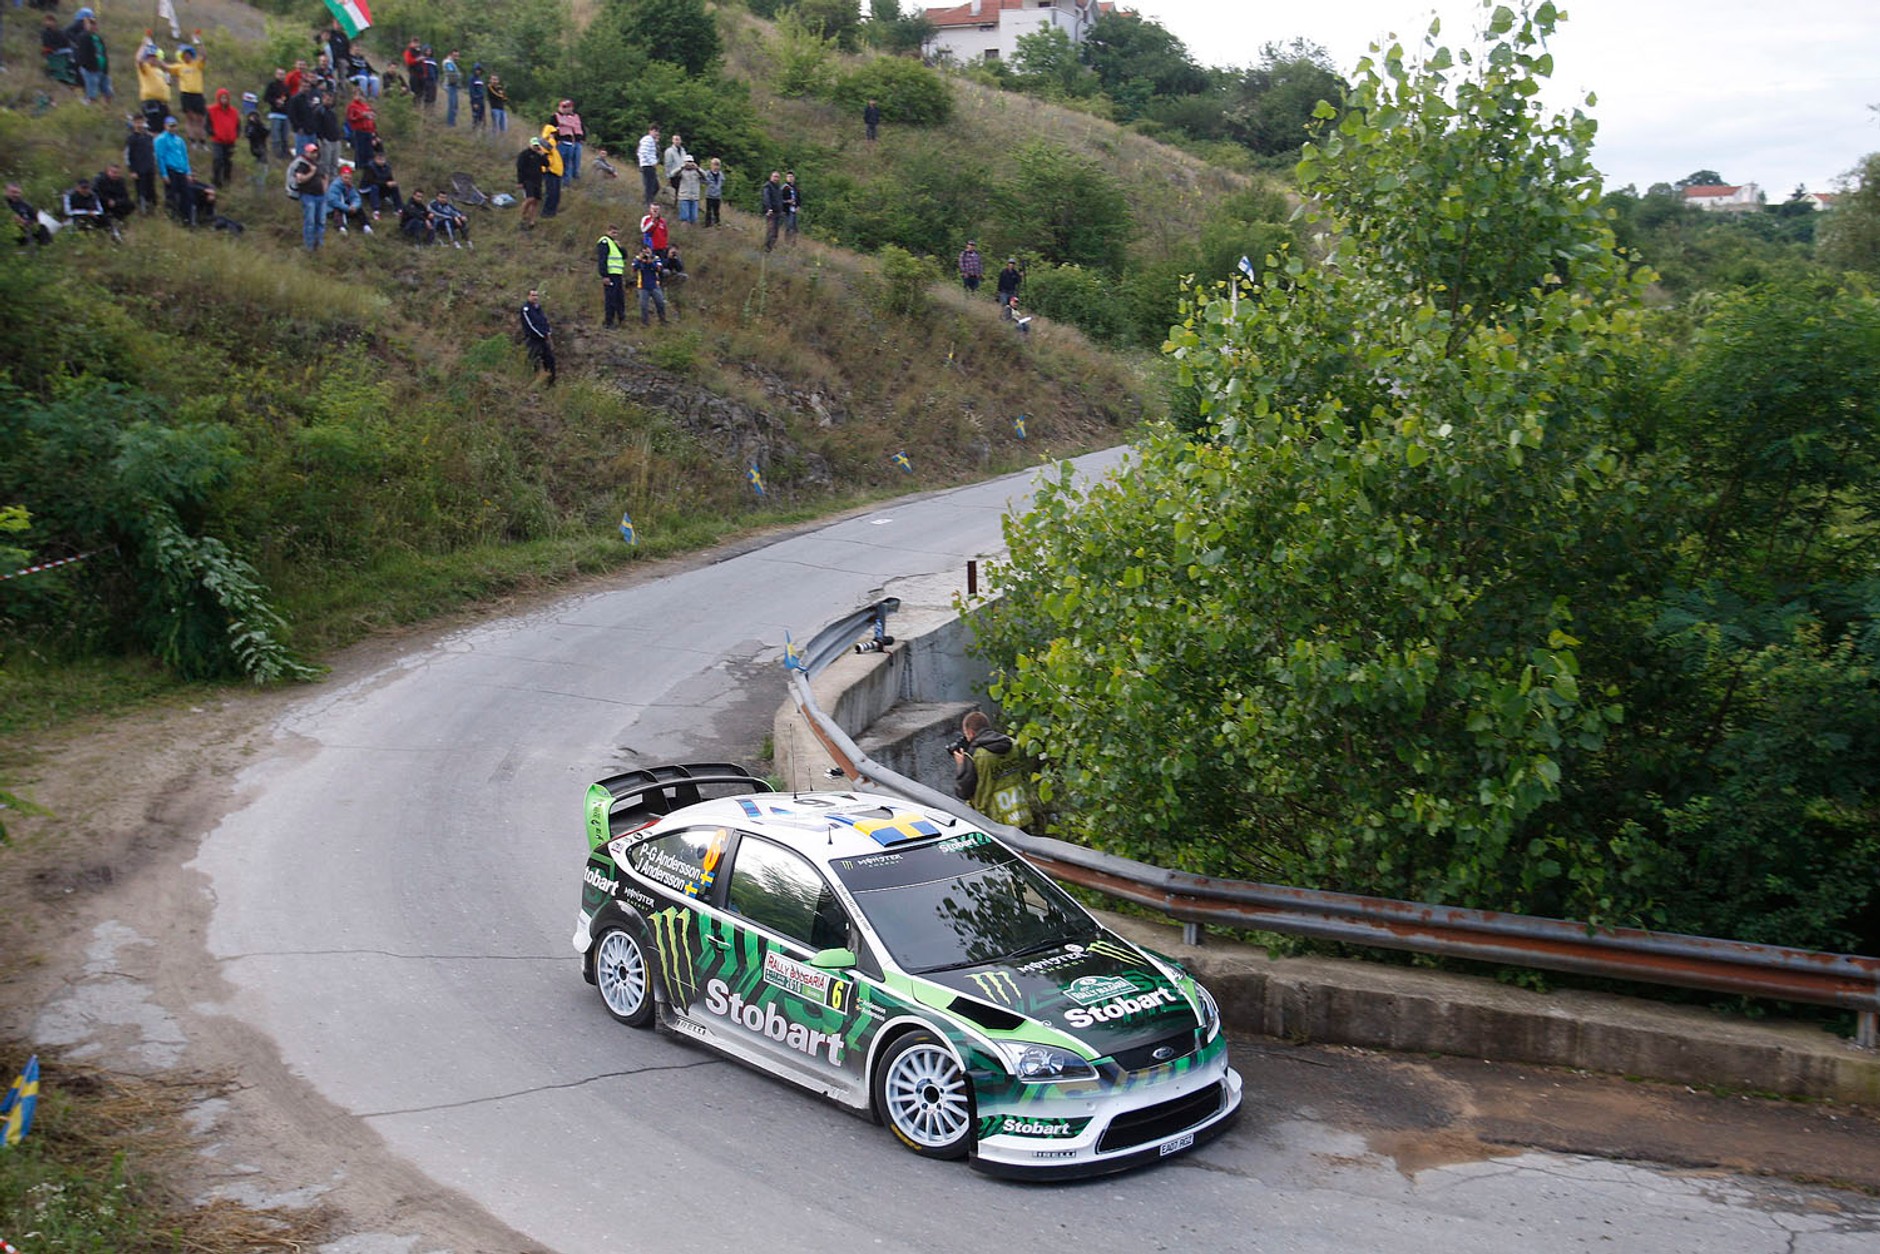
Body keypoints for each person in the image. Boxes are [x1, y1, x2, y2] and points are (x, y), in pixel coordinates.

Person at [950, 710, 1033, 827]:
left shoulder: (977, 755)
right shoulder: (1012, 745)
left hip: (993, 821)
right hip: (1019, 815)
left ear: (971, 732)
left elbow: (963, 791)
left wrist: (961, 765)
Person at [154, 116, 195, 224]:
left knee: (186, 196)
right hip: (170, 170)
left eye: (174, 126)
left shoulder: (179, 140)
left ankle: (187, 219)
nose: (173, 128)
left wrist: (188, 172)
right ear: (165, 126)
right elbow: (160, 157)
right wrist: (164, 173)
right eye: (170, 126)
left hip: (181, 171)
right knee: (171, 196)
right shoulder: (161, 139)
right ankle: (172, 219)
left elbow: (185, 156)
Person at [167, 37, 207, 144]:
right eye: (184, 54)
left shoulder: (197, 64)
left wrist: (200, 43)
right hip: (186, 94)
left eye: (188, 54)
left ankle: (202, 140)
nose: (186, 56)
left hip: (198, 94)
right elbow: (166, 67)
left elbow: (204, 56)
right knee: (190, 118)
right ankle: (192, 140)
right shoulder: (179, 66)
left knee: (200, 119)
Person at [288, 143, 326, 248]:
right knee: (310, 222)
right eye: (311, 152)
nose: (314, 154)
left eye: (315, 152)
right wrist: (312, 172)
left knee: (321, 222)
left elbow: (324, 176)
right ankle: (309, 246)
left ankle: (319, 245)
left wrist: (324, 189)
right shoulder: (302, 164)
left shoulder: (319, 164)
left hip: (320, 196)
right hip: (308, 196)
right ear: (306, 152)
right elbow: (300, 179)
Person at [520, 289, 556, 386]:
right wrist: (542, 334)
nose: (535, 297)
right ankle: (532, 382)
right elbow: (530, 325)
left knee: (550, 360)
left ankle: (551, 383)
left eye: (536, 295)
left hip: (543, 339)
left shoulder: (538, 308)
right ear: (528, 296)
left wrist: (548, 332)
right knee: (533, 360)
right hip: (533, 339)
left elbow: (545, 321)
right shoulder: (526, 309)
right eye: (533, 295)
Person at [206, 87, 240, 187]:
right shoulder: (212, 110)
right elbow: (207, 125)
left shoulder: (234, 111)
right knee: (217, 159)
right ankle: (216, 181)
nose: (224, 100)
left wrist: (236, 134)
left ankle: (227, 180)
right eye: (222, 98)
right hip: (218, 140)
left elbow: (238, 125)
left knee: (228, 162)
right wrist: (213, 133)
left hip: (230, 141)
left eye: (226, 98)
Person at [124, 116, 159, 214]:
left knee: (151, 190)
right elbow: (127, 155)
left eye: (141, 122)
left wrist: (154, 165)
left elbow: (153, 153)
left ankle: (152, 210)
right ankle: (142, 211)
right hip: (138, 170)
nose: (139, 125)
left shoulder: (149, 137)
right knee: (141, 191)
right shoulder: (131, 138)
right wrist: (131, 170)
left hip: (150, 168)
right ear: (134, 124)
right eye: (137, 122)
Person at [74, 15, 112, 104]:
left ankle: (106, 110)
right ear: (85, 25)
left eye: (94, 24)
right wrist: (87, 66)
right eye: (90, 24)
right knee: (92, 95)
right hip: (91, 70)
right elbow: (81, 54)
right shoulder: (83, 37)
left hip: (102, 69)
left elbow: (103, 52)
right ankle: (91, 111)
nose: (93, 26)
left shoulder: (98, 38)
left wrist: (106, 67)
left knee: (108, 92)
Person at [135, 47, 172, 135]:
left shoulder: (160, 71)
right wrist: (144, 45)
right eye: (150, 57)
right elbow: (138, 60)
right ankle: (153, 147)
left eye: (155, 57)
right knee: (153, 128)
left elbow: (168, 83)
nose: (153, 59)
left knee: (164, 128)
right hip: (151, 101)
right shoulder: (145, 67)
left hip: (162, 103)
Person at [360, 143, 403, 217]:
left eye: (383, 159)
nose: (381, 161)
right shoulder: (370, 167)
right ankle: (376, 210)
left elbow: (389, 178)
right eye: (379, 159)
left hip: (382, 187)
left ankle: (399, 209)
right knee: (375, 187)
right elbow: (371, 181)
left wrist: (392, 183)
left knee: (394, 187)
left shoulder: (387, 167)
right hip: (367, 189)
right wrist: (386, 184)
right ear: (375, 159)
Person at [326, 164, 370, 235]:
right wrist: (347, 208)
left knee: (360, 209)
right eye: (345, 177)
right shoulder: (335, 186)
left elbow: (356, 198)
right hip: (331, 209)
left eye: (349, 178)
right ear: (341, 176)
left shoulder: (350, 186)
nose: (347, 180)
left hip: (347, 207)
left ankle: (366, 226)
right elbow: (333, 201)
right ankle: (341, 227)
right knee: (337, 210)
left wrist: (354, 206)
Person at [596, 224, 626, 328]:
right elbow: (602, 259)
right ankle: (609, 322)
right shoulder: (604, 241)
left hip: (618, 274)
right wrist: (604, 275)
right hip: (610, 274)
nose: (615, 235)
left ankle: (621, 320)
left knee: (619, 299)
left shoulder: (614, 243)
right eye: (613, 232)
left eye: (616, 233)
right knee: (611, 299)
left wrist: (620, 247)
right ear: (607, 231)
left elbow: (624, 256)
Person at [515, 136, 547, 230]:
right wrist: (520, 181)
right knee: (530, 198)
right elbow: (520, 168)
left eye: (537, 145)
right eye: (534, 145)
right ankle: (521, 216)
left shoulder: (539, 155)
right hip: (527, 180)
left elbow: (547, 164)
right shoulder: (524, 154)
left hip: (537, 180)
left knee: (536, 201)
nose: (535, 147)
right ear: (530, 144)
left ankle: (532, 220)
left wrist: (542, 154)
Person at [632, 245, 667, 326]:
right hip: (642, 286)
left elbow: (659, 269)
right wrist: (640, 260)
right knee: (643, 305)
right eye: (645, 252)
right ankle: (645, 323)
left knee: (660, 303)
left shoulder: (656, 258)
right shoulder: (637, 259)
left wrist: (651, 263)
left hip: (655, 284)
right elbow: (634, 269)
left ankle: (663, 320)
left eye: (648, 252)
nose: (646, 254)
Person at [263, 67, 292, 158]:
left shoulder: (286, 87)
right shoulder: (271, 85)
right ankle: (276, 155)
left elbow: (289, 99)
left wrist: (285, 104)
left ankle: (284, 154)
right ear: (276, 75)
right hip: (275, 114)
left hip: (285, 114)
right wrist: (275, 101)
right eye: (279, 74)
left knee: (285, 137)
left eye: (283, 74)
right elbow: (266, 98)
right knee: (276, 137)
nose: (281, 76)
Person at [345, 87, 376, 166]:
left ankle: (369, 167)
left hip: (368, 130)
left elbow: (371, 119)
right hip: (359, 130)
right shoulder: (352, 106)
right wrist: (362, 116)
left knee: (369, 151)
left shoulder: (365, 106)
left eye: (360, 94)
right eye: (356, 95)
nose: (359, 97)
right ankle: (359, 167)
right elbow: (350, 118)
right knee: (360, 151)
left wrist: (373, 131)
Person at [555, 99, 585, 181]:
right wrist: (557, 139)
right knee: (565, 161)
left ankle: (574, 176)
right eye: (564, 107)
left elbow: (581, 127)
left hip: (577, 140)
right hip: (566, 141)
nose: (567, 109)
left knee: (575, 160)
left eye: (568, 107)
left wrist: (583, 138)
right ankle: (564, 179)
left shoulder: (576, 116)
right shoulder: (559, 116)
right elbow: (554, 128)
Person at [538, 122, 563, 218]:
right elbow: (547, 149)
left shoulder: (554, 147)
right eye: (553, 133)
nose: (555, 136)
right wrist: (551, 138)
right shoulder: (543, 143)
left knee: (556, 194)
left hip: (556, 172)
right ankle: (545, 213)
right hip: (549, 171)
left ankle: (552, 212)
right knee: (551, 193)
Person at [636, 123, 661, 206]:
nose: (656, 133)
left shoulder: (652, 141)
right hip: (648, 166)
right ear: (650, 131)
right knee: (650, 186)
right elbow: (643, 152)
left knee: (655, 186)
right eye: (654, 131)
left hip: (649, 165)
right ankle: (648, 203)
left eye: (657, 131)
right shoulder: (648, 139)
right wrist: (652, 163)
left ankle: (648, 200)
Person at [759, 170, 785, 252]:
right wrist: (768, 209)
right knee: (771, 231)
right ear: (771, 177)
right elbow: (766, 198)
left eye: (777, 177)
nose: (776, 178)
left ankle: (770, 249)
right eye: (774, 176)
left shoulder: (778, 187)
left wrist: (782, 210)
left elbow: (780, 200)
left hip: (778, 212)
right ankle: (766, 248)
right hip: (771, 212)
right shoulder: (768, 186)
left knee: (775, 233)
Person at [662, 132, 689, 205]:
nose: (677, 141)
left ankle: (677, 205)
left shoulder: (683, 151)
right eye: (675, 139)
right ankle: (673, 205)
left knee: (681, 192)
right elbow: (667, 164)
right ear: (672, 141)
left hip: (682, 175)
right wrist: (668, 175)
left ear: (681, 141)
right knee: (674, 192)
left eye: (678, 139)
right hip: (673, 174)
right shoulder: (669, 151)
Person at [676, 157, 701, 225]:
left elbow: (705, 176)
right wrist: (682, 167)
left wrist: (697, 168)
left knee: (694, 218)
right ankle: (684, 232)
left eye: (690, 161)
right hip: (684, 197)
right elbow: (672, 174)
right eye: (687, 162)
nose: (689, 163)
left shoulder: (697, 172)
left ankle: (693, 232)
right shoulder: (681, 171)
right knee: (684, 218)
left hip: (694, 197)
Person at [440, 50, 461, 126]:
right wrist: (456, 78)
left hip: (453, 85)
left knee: (455, 105)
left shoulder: (452, 63)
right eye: (455, 55)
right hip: (451, 85)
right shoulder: (448, 63)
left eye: (457, 55)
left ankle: (452, 122)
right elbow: (451, 74)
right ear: (450, 55)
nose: (457, 57)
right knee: (452, 104)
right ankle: (450, 123)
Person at [702, 157, 724, 228]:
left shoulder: (720, 174)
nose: (716, 166)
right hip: (709, 195)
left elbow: (722, 181)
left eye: (717, 165)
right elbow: (702, 180)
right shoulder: (707, 173)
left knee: (716, 211)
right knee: (709, 211)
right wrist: (708, 183)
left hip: (717, 196)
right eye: (714, 164)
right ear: (711, 165)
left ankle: (717, 224)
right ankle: (707, 224)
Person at [781, 171, 801, 244]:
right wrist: (787, 201)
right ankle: (787, 242)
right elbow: (780, 199)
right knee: (789, 227)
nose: (790, 178)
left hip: (794, 210)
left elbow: (799, 198)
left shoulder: (796, 188)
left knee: (795, 227)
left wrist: (798, 206)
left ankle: (793, 242)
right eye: (788, 177)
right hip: (786, 210)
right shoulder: (784, 188)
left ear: (794, 178)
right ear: (786, 178)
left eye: (791, 177)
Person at [468, 64, 486, 131]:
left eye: (479, 70)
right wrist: (474, 102)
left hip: (481, 99)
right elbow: (471, 90)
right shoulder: (472, 78)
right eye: (477, 70)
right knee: (476, 115)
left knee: (481, 116)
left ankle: (480, 130)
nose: (478, 71)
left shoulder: (480, 79)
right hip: (475, 100)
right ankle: (474, 129)